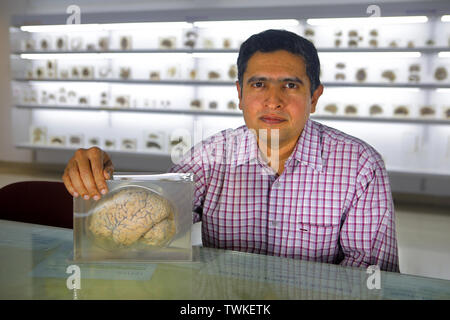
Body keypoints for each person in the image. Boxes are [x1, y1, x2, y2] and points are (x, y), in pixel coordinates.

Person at [63, 29, 399, 272]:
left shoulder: (360, 166)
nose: (273, 100)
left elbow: (370, 275)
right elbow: (151, 220)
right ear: (240, 95)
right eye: (258, 84)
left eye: (291, 85)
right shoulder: (211, 156)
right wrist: (102, 182)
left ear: (314, 96)